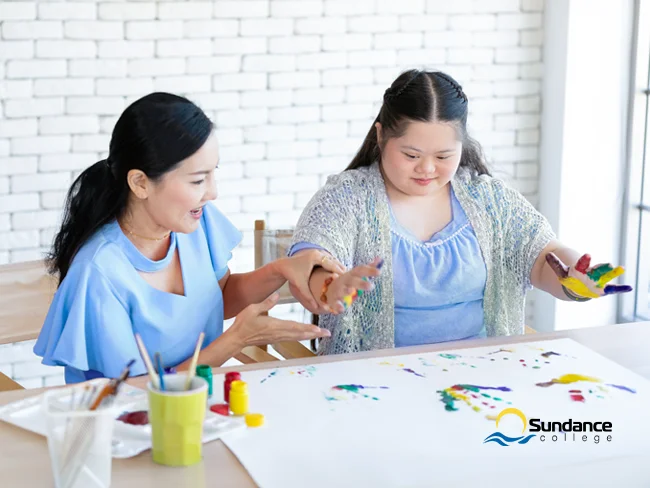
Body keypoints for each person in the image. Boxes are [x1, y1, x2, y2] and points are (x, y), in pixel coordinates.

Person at [289, 69, 631, 355]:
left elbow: (543, 257)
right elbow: (311, 259)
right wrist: (329, 287)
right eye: (410, 155)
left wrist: (574, 277)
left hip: (482, 377)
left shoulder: (491, 201)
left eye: (443, 156)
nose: (426, 169)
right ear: (380, 137)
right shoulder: (346, 198)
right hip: (372, 381)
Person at [34, 93, 341, 383]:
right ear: (140, 183)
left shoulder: (192, 223)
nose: (212, 192)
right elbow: (136, 392)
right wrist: (236, 339)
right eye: (197, 180)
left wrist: (280, 270)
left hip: (194, 407)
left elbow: (216, 298)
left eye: (212, 174)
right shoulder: (98, 272)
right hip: (124, 423)